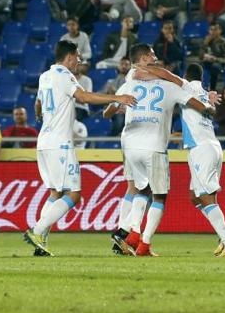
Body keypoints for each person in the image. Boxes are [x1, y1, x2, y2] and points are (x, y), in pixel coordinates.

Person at [23, 40, 136, 257]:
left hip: (44, 142)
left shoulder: (44, 76)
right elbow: (84, 97)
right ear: (70, 56)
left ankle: (41, 243)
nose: (80, 61)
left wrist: (41, 115)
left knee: (55, 192)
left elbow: (38, 104)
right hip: (59, 144)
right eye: (78, 57)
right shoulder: (65, 75)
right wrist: (116, 97)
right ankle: (37, 231)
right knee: (74, 195)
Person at [103, 43, 213, 257]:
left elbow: (107, 114)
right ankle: (139, 240)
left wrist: (120, 103)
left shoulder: (130, 82)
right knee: (159, 196)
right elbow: (198, 105)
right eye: (153, 56)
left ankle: (127, 231)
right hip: (153, 146)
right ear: (146, 59)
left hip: (130, 144)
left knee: (139, 189)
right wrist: (209, 106)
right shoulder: (170, 86)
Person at [178, 63, 225, 257]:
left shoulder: (185, 87)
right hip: (210, 146)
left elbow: (166, 76)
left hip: (201, 148)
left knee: (205, 197)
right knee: (196, 197)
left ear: (186, 76)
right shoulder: (205, 93)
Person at [200, 21, 225, 91]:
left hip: (220, 64)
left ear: (220, 31)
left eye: (215, 29)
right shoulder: (206, 41)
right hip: (207, 63)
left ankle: (212, 89)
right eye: (211, 29)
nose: (213, 32)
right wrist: (205, 44)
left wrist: (215, 59)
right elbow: (200, 57)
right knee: (196, 67)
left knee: (214, 67)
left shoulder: (224, 42)